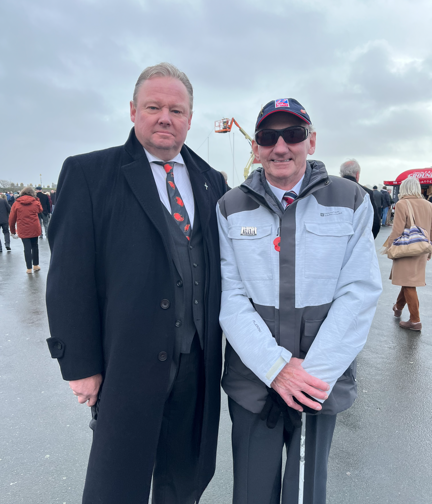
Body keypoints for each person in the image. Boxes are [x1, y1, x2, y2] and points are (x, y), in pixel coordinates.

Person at [46, 62, 226, 504]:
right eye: (154, 106)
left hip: (197, 361)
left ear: (189, 118)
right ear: (132, 111)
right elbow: (69, 277)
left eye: (177, 110)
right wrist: (81, 365)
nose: (166, 117)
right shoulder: (89, 173)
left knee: (183, 479)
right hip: (125, 363)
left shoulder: (211, 181)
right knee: (117, 484)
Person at [216, 98, 382, 504]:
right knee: (253, 492)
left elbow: (359, 291)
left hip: (318, 381)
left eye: (293, 134)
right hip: (253, 381)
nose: (281, 147)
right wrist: (276, 368)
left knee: (306, 494)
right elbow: (231, 296)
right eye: (268, 137)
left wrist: (311, 376)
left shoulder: (350, 199)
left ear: (311, 141)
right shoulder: (229, 206)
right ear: (255, 147)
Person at [384, 178, 432, 331]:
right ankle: (398, 307)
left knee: (409, 283)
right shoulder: (429, 205)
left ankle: (415, 320)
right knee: (408, 281)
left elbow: (397, 230)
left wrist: (388, 247)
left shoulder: (402, 204)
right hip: (422, 248)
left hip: (406, 249)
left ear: (404, 188)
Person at [339, 159, 380, 238]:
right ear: (357, 174)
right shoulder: (366, 192)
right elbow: (375, 223)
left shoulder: (332, 190)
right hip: (359, 240)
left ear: (341, 174)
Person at [9, 186, 42, 273]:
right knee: (35, 246)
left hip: (23, 228)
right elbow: (40, 210)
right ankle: (36, 265)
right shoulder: (35, 202)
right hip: (34, 227)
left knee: (26, 248)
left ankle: (29, 268)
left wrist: (12, 230)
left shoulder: (16, 203)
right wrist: (37, 199)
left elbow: (12, 218)